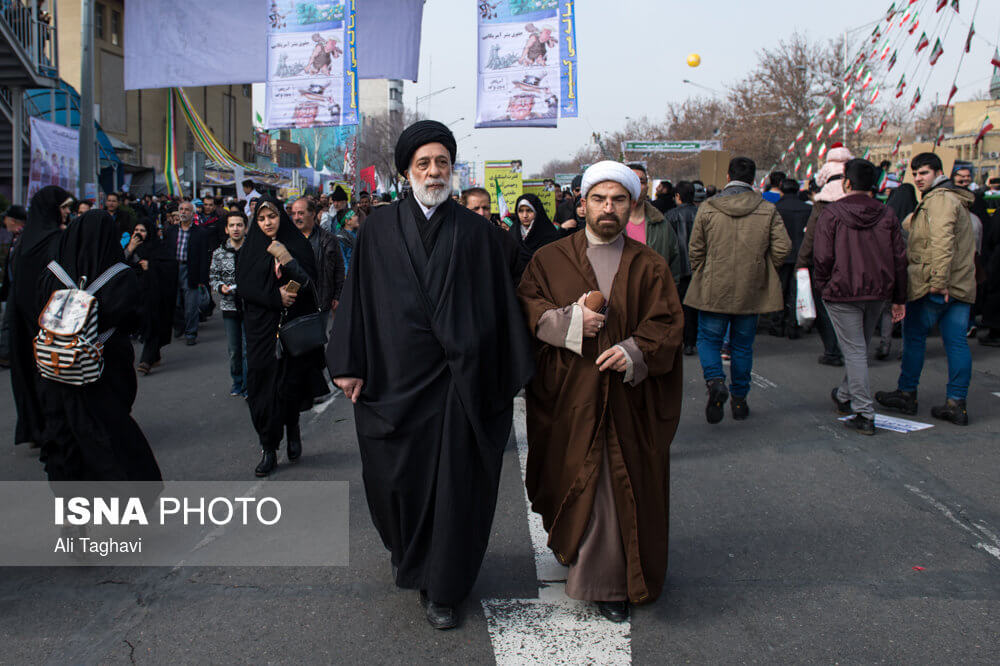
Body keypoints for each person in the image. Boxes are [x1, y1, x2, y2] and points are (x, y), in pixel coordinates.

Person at [327, 120, 534, 630]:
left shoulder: (480, 234)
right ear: (406, 171)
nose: (434, 171)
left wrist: (502, 367)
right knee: (396, 482)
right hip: (395, 382)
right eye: (424, 163)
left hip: (461, 386)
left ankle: (444, 586)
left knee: (456, 488)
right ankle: (410, 555)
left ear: (452, 168)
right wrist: (349, 364)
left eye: (442, 162)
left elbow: (502, 304)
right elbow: (358, 301)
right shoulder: (377, 228)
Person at [517, 161, 684, 623]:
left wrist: (634, 351)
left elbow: (666, 323)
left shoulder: (649, 264)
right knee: (568, 476)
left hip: (628, 402)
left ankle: (610, 582)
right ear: (582, 202)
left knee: (614, 482)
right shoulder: (549, 259)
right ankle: (572, 545)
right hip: (568, 397)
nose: (608, 208)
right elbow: (528, 308)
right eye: (599, 199)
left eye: (618, 200)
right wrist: (570, 322)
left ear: (631, 205)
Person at [34, 210, 162, 482]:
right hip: (103, 366)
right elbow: (133, 320)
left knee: (64, 436)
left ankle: (72, 510)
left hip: (57, 369)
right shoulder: (120, 276)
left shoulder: (51, 273)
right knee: (109, 435)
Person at [684, 157, 791, 423]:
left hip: (713, 286)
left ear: (728, 175)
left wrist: (703, 270)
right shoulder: (767, 209)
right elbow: (783, 247)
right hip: (751, 286)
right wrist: (763, 267)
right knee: (742, 346)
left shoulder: (708, 208)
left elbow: (695, 248)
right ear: (754, 179)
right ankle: (740, 400)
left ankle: (715, 381)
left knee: (708, 339)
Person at [876, 153, 977, 426]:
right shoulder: (948, 199)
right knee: (955, 342)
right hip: (958, 284)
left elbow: (942, 242)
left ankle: (907, 393)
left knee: (915, 337)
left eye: (924, 173)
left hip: (937, 285)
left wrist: (938, 281)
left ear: (938, 172)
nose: (919, 179)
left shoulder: (941, 199)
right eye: (916, 174)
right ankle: (956, 402)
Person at [812, 159, 907, 435]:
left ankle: (863, 411)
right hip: (877, 291)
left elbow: (823, 257)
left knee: (855, 350)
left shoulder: (832, 214)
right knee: (858, 347)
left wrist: (823, 286)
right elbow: (900, 259)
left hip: (842, 291)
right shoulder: (887, 214)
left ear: (847, 183)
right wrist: (899, 297)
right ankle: (843, 395)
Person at [237, 198, 328, 476]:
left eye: (272, 216)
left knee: (288, 388)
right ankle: (268, 447)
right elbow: (245, 288)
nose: (267, 223)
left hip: (293, 331)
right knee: (262, 390)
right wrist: (274, 296)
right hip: (262, 333)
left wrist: (286, 261)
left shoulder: (297, 244)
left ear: (281, 217)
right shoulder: (250, 249)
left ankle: (293, 428)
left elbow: (309, 282)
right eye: (262, 218)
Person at [8, 186, 71, 446]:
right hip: (51, 322)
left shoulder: (24, 242)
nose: (67, 212)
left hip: (25, 321)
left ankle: (37, 427)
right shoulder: (55, 241)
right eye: (64, 207)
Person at [796, 146, 854, 367]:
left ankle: (832, 350)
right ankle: (853, 349)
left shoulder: (822, 203)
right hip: (854, 262)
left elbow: (811, 236)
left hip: (826, 263)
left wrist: (802, 262)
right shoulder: (858, 198)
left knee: (825, 307)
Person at [124, 220, 178, 375]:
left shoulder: (159, 248)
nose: (139, 233)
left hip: (154, 294)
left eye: (143, 230)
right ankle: (154, 355)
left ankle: (146, 360)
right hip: (136, 294)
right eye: (137, 229)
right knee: (143, 324)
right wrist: (130, 249)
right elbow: (120, 265)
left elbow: (170, 266)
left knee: (153, 323)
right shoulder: (130, 248)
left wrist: (151, 267)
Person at [290, 196, 344, 329]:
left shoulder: (328, 239)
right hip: (295, 302)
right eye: (294, 213)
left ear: (312, 213)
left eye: (301, 213)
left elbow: (338, 268)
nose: (296, 217)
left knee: (316, 341)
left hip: (321, 301)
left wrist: (337, 295)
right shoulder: (288, 240)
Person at [210, 210, 248, 397]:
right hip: (229, 307)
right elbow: (213, 278)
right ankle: (237, 381)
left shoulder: (253, 251)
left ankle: (249, 385)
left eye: (239, 225)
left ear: (245, 228)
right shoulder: (219, 253)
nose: (236, 228)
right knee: (234, 350)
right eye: (232, 225)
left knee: (248, 349)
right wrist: (220, 287)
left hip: (250, 306)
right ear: (226, 229)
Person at [162, 200, 210, 345]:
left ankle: (191, 332)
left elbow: (204, 256)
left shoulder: (200, 232)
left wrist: (203, 278)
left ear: (193, 213)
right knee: (173, 302)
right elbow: (165, 251)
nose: (183, 212)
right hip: (173, 269)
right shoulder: (171, 231)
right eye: (181, 209)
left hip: (191, 270)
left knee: (191, 305)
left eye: (187, 210)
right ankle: (179, 324)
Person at [626, 163, 681, 283]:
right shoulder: (609, 223)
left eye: (641, 181)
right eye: (631, 180)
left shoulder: (661, 223)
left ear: (647, 187)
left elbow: (674, 264)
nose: (636, 185)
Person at [771, 178, 811, 339]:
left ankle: (777, 323)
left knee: (779, 290)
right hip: (802, 255)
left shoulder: (776, 208)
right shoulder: (807, 209)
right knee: (797, 291)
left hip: (781, 255)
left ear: (781, 189)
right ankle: (793, 325)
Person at [463, 187, 528, 279]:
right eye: (476, 209)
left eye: (485, 208)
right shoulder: (456, 239)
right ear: (464, 210)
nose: (482, 213)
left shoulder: (504, 239)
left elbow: (518, 274)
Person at [665, 181, 699, 354]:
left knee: (676, 308)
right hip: (697, 268)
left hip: (677, 269)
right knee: (693, 308)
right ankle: (691, 341)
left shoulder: (670, 216)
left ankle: (680, 339)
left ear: (678, 196)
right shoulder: (701, 213)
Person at [0, 205, 27, 367]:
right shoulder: (16, 237)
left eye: (6, 218)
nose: (4, 222)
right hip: (13, 288)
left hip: (20, 289)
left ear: (13, 220)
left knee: (10, 322)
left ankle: (6, 355)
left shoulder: (24, 238)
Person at [510, 192, 561, 260]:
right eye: (521, 211)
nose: (525, 215)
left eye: (529, 211)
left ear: (536, 211)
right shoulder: (512, 233)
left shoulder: (549, 234)